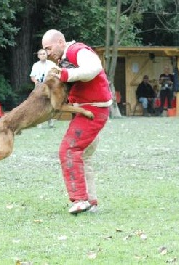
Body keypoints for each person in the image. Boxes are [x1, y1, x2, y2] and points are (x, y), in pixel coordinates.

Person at [42, 29, 112, 214]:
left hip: (93, 109)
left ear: (60, 42)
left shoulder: (77, 51)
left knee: (69, 150)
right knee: (83, 156)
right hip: (90, 108)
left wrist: (64, 75)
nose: (47, 54)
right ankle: (91, 201)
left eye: (48, 49)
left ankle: (80, 199)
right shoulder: (66, 57)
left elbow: (93, 69)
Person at [30, 49, 57, 127]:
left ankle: (50, 121)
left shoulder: (51, 64)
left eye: (44, 54)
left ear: (46, 54)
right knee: (39, 104)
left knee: (50, 104)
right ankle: (39, 122)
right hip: (39, 86)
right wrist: (36, 82)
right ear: (38, 56)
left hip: (49, 86)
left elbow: (56, 73)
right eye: (41, 54)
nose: (43, 55)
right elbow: (32, 76)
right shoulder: (35, 65)